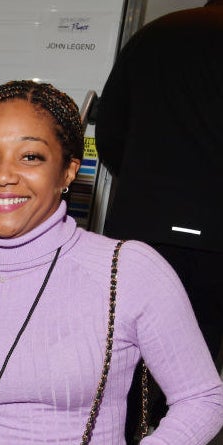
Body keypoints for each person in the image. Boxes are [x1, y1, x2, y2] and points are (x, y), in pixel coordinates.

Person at [0, 80, 223, 444]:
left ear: (68, 170)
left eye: (30, 156)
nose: (2, 175)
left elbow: (202, 399)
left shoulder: (128, 271)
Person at [95, 0, 223, 363]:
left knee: (120, 355)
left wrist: (142, 184)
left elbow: (109, 133)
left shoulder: (152, 35)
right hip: (214, 240)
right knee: (191, 364)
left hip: (139, 229)